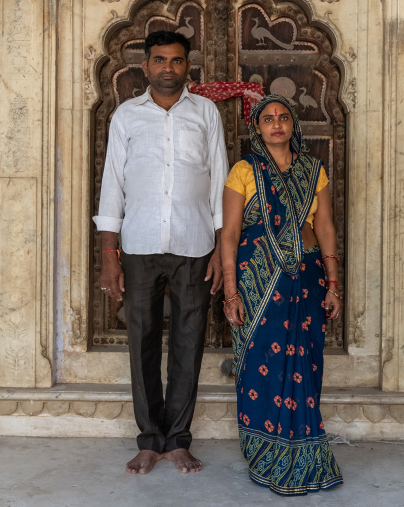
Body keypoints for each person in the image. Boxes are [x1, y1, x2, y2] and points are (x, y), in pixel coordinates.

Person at [94, 30, 229, 476]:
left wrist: (220, 249)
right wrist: (110, 253)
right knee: (143, 343)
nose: (167, 68)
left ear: (186, 65)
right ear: (145, 66)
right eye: (159, 60)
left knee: (188, 345)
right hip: (139, 244)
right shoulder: (126, 117)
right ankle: (150, 440)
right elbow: (113, 183)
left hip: (195, 245)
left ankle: (177, 441)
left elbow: (220, 183)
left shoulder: (205, 112)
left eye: (175, 60)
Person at [221, 94, 343, 495]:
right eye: (268, 119)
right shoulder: (243, 171)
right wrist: (231, 293)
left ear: (294, 125)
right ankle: (266, 454)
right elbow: (232, 234)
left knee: (305, 362)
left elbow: (324, 226)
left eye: (284, 117)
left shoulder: (314, 171)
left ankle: (307, 452)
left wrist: (333, 282)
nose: (276, 124)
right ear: (257, 128)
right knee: (262, 363)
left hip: (306, 279)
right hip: (259, 282)